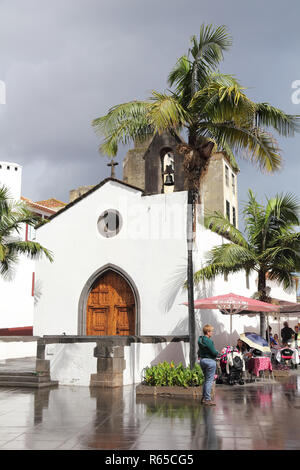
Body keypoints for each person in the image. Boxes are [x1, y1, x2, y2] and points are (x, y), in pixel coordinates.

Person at [198, 325, 218, 406]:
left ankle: (204, 397)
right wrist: (217, 353)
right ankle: (207, 399)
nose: (212, 333)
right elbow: (213, 352)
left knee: (206, 380)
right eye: (211, 331)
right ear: (208, 332)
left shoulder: (201, 339)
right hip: (210, 361)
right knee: (209, 381)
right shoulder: (208, 341)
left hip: (202, 360)